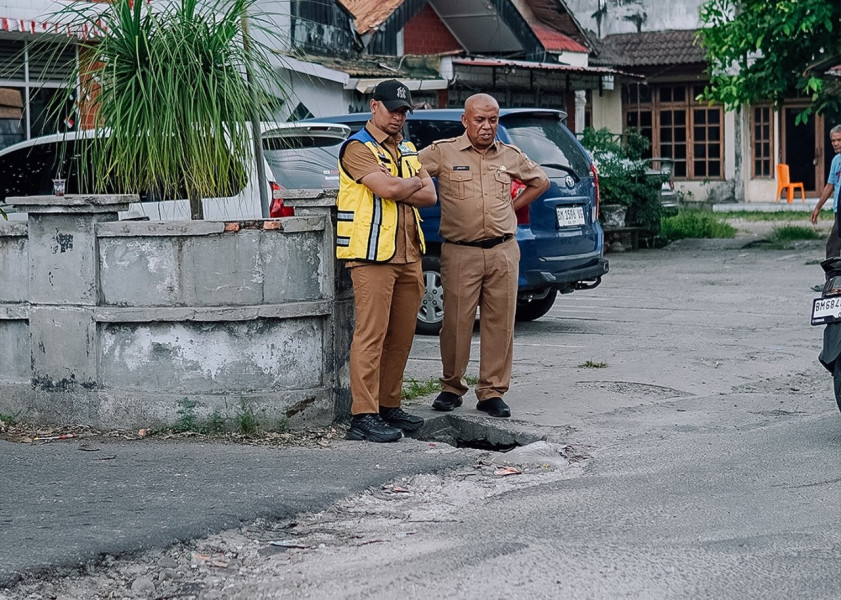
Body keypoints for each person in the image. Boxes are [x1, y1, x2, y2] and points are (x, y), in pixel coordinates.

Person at [418, 93, 550, 418]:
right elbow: (408, 169)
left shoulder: (509, 155)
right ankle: (451, 386)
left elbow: (541, 181)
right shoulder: (443, 152)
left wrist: (511, 208)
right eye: (480, 119)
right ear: (466, 121)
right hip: (461, 252)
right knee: (455, 323)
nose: (487, 126)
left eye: (493, 119)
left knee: (500, 323)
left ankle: (492, 391)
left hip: (503, 250)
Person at [336, 79, 437, 442]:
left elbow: (431, 196)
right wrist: (407, 183)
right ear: (374, 106)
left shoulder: (407, 147)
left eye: (404, 111)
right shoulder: (356, 148)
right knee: (371, 335)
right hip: (372, 254)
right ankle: (363, 417)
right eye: (393, 109)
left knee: (402, 335)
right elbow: (391, 189)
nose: (399, 117)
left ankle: (388, 405)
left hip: (409, 252)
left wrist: (401, 183)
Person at [810, 124, 841, 290]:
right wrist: (817, 207)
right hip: (839, 210)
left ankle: (833, 283)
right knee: (833, 246)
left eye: (839, 140)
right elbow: (830, 186)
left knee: (833, 244)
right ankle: (832, 281)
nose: (835, 144)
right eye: (833, 141)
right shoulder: (836, 161)